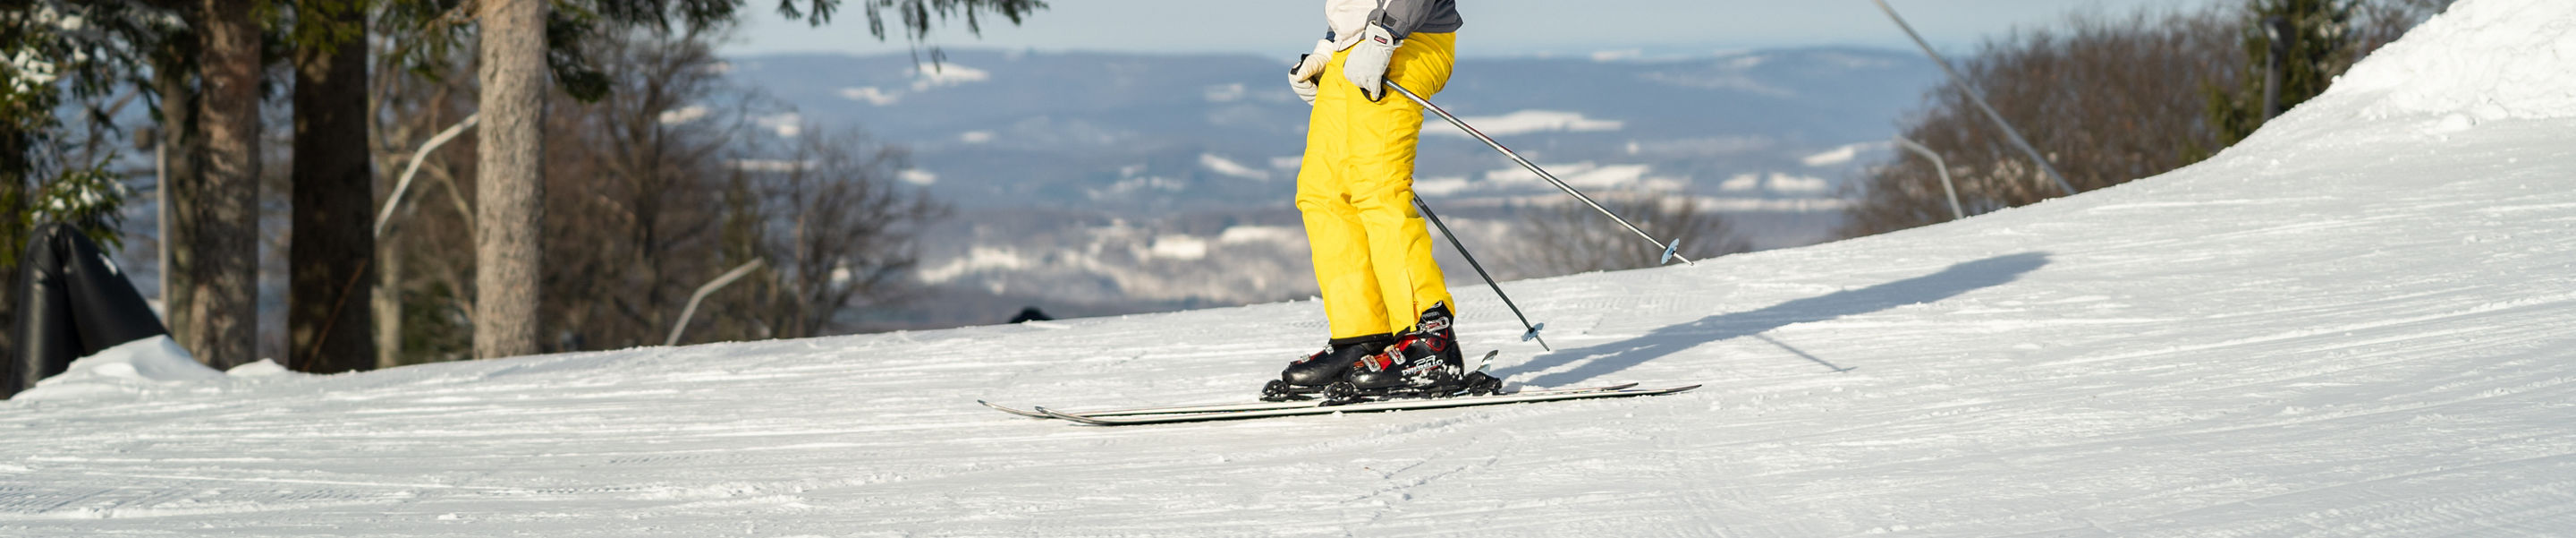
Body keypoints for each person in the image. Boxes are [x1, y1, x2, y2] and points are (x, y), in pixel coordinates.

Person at [1276, 0, 1468, 393]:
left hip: (1405, 40)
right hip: (1354, 47)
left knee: (1377, 188)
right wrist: (1328, 48)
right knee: (1323, 193)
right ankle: (1364, 336)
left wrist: (1384, 37)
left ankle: (1429, 339)